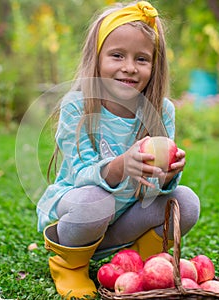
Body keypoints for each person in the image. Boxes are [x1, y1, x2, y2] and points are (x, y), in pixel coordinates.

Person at [37, 1, 200, 299]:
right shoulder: (78, 106)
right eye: (116, 55)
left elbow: (156, 189)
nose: (129, 67)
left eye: (141, 59)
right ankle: (70, 264)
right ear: (96, 59)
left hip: (125, 222)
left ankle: (138, 260)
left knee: (186, 202)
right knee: (95, 200)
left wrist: (168, 172)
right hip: (82, 219)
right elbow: (81, 175)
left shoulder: (161, 111)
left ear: (155, 65)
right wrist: (122, 164)